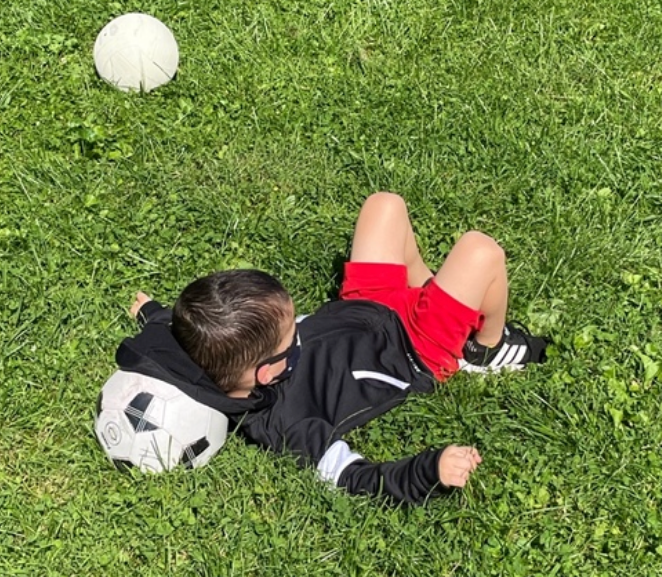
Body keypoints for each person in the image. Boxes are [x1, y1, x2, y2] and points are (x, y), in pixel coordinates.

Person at [122, 192, 547, 504]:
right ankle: (485, 348)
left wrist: (155, 313)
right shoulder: (285, 424)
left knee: (385, 206)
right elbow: (354, 478)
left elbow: (183, 339)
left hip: (363, 304)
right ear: (268, 373)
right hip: (414, 350)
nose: (298, 331)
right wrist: (428, 470)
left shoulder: (213, 356)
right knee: (480, 251)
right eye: (291, 336)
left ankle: (437, 292)